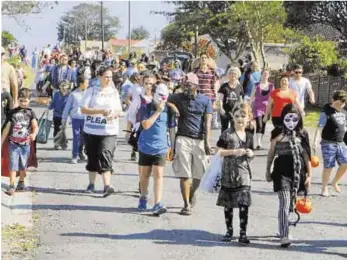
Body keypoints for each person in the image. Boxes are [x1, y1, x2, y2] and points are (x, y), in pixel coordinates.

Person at [266, 103, 312, 247]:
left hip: (297, 172)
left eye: (294, 119)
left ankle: (283, 228)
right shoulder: (277, 133)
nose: (291, 122)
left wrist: (309, 175)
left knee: (291, 203)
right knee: (284, 203)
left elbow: (307, 156)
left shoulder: (303, 133)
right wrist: (267, 169)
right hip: (281, 172)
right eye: (288, 118)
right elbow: (271, 152)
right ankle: (284, 236)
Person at [168, 73, 213, 216]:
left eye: (189, 85)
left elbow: (208, 122)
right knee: (184, 173)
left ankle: (192, 193)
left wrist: (207, 142)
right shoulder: (178, 97)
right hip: (183, 138)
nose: (186, 88)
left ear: (196, 86)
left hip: (199, 139)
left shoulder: (205, 100)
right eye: (184, 85)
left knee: (200, 173)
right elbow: (163, 100)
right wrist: (172, 106)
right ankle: (186, 204)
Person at [80, 67, 122, 197]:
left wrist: (113, 115)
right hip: (91, 129)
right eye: (106, 77)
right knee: (92, 157)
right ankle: (91, 184)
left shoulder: (114, 92)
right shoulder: (91, 91)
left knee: (106, 154)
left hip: (109, 131)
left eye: (110, 77)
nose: (108, 79)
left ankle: (107, 186)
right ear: (99, 77)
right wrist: (99, 111)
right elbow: (83, 109)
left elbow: (119, 110)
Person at [216, 102, 254, 244]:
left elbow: (251, 153)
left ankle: (243, 233)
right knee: (229, 203)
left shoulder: (249, 135)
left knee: (244, 203)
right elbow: (218, 151)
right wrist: (234, 152)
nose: (240, 118)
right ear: (233, 117)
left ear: (248, 118)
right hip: (228, 173)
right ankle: (229, 231)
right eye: (237, 116)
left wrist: (251, 153)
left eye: (243, 116)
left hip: (244, 174)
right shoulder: (227, 134)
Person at [137, 83, 176, 215]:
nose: (162, 99)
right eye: (160, 95)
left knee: (158, 175)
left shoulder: (169, 110)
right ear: (154, 94)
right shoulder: (145, 107)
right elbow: (146, 125)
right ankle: (143, 196)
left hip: (161, 147)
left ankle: (157, 203)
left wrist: (172, 147)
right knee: (145, 174)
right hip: (145, 146)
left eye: (165, 96)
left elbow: (171, 129)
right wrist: (158, 111)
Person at [1, 88, 38, 196]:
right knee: (12, 165)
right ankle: (11, 185)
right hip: (13, 144)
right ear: (18, 100)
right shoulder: (12, 113)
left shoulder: (31, 113)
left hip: (25, 145)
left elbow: (35, 126)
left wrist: (34, 134)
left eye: (25, 101)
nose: (23, 103)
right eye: (21, 100)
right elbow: (6, 129)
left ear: (29, 101)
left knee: (23, 166)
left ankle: (21, 181)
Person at [313, 90, 347, 197]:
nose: (340, 106)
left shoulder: (344, 113)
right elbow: (319, 127)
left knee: (345, 163)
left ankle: (335, 182)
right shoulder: (326, 112)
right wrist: (315, 141)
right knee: (329, 166)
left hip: (341, 142)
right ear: (333, 100)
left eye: (342, 104)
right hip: (328, 143)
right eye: (338, 104)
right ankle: (324, 188)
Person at [62, 75, 89, 164]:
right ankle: (74, 155)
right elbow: (67, 107)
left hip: (86, 119)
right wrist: (64, 119)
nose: (87, 84)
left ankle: (81, 152)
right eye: (86, 83)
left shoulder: (89, 93)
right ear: (81, 84)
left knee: (84, 138)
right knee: (76, 137)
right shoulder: (73, 94)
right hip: (76, 118)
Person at [250, 69, 274, 149]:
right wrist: (249, 107)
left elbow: (273, 98)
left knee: (263, 125)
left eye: (267, 74)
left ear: (269, 75)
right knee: (259, 124)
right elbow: (252, 96)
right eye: (264, 74)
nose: (265, 75)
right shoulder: (256, 85)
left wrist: (272, 108)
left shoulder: (271, 86)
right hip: (257, 107)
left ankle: (260, 142)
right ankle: (258, 142)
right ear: (261, 75)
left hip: (267, 108)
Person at [218, 67, 244, 133]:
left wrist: (242, 109)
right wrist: (221, 108)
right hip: (225, 110)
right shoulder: (224, 86)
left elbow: (241, 100)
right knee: (224, 127)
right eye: (231, 73)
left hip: (235, 111)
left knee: (234, 126)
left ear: (238, 75)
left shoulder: (239, 87)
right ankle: (223, 141)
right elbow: (220, 99)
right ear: (228, 75)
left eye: (235, 74)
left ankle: (232, 141)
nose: (233, 75)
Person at [47, 80, 70, 148]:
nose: (63, 87)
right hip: (56, 115)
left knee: (62, 130)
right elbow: (53, 103)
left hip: (64, 116)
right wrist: (48, 108)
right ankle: (56, 143)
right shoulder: (57, 94)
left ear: (68, 86)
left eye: (65, 85)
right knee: (56, 129)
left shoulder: (69, 95)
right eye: (62, 85)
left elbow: (71, 105)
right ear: (59, 86)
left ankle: (63, 143)